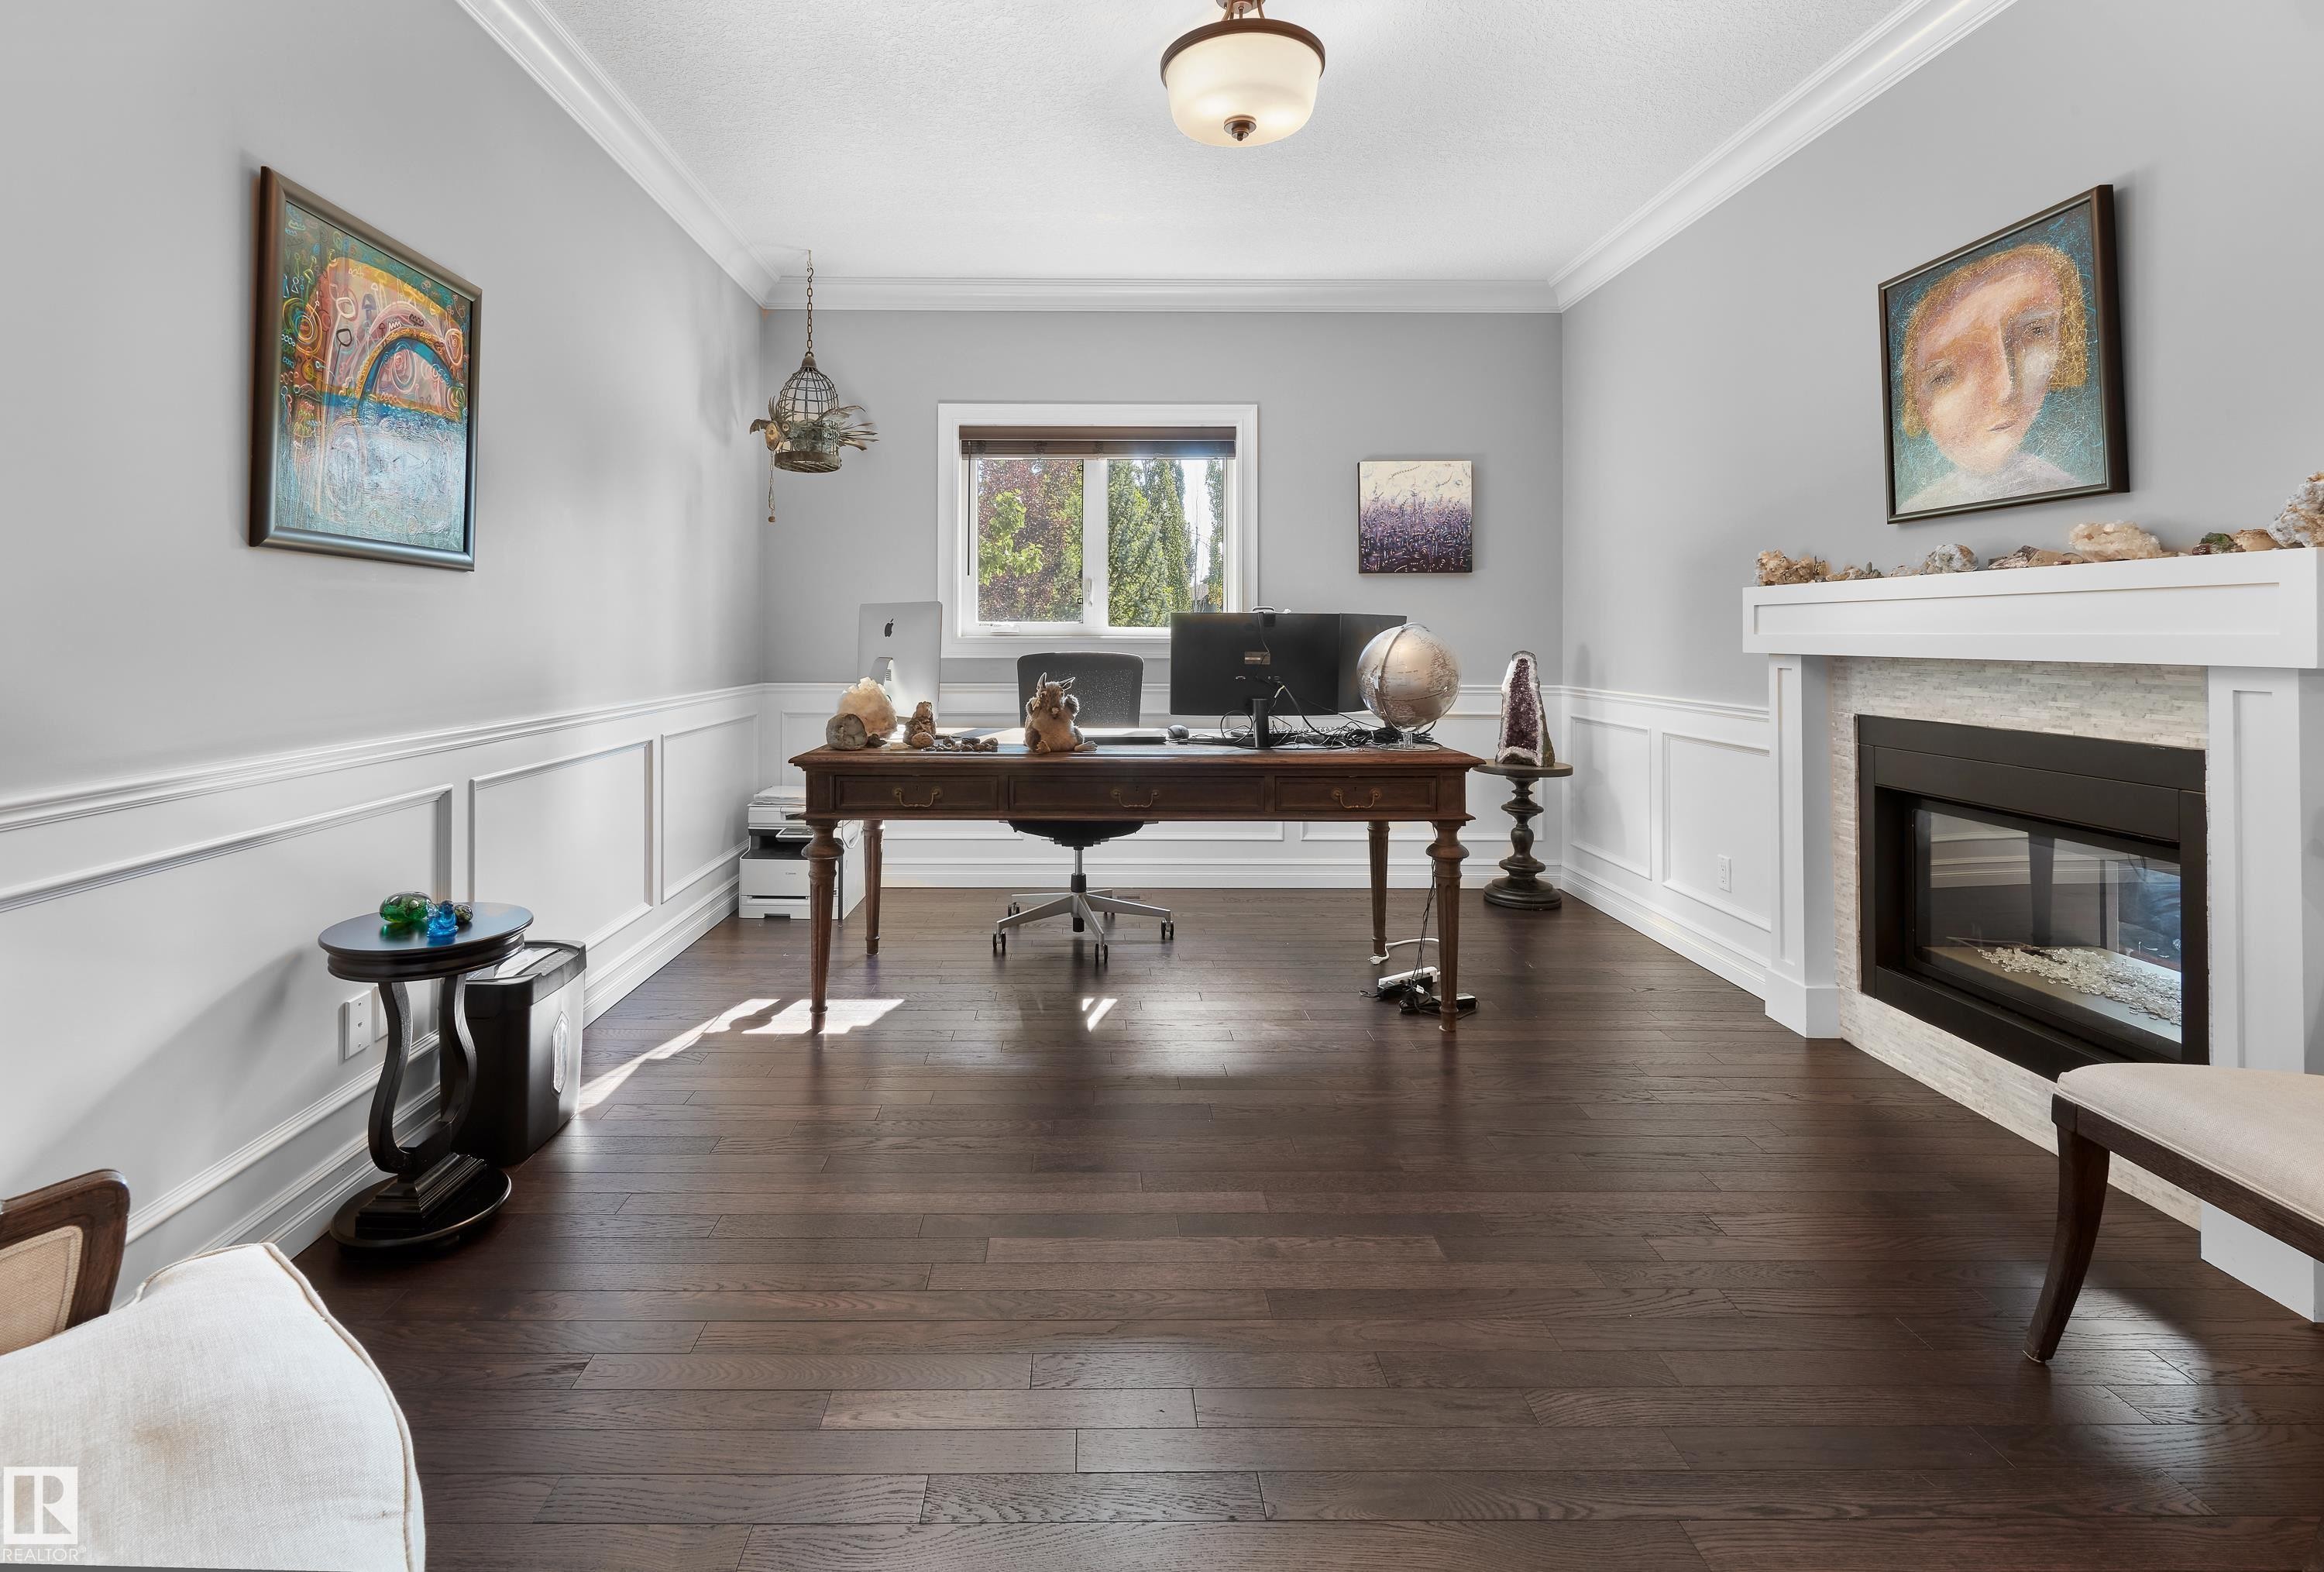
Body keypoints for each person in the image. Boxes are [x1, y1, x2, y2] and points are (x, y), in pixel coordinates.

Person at [1894, 243, 2095, 514]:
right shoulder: (1917, 508)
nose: (2006, 389)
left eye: (2036, 332)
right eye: (1944, 376)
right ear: (1915, 400)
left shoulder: (2065, 489)